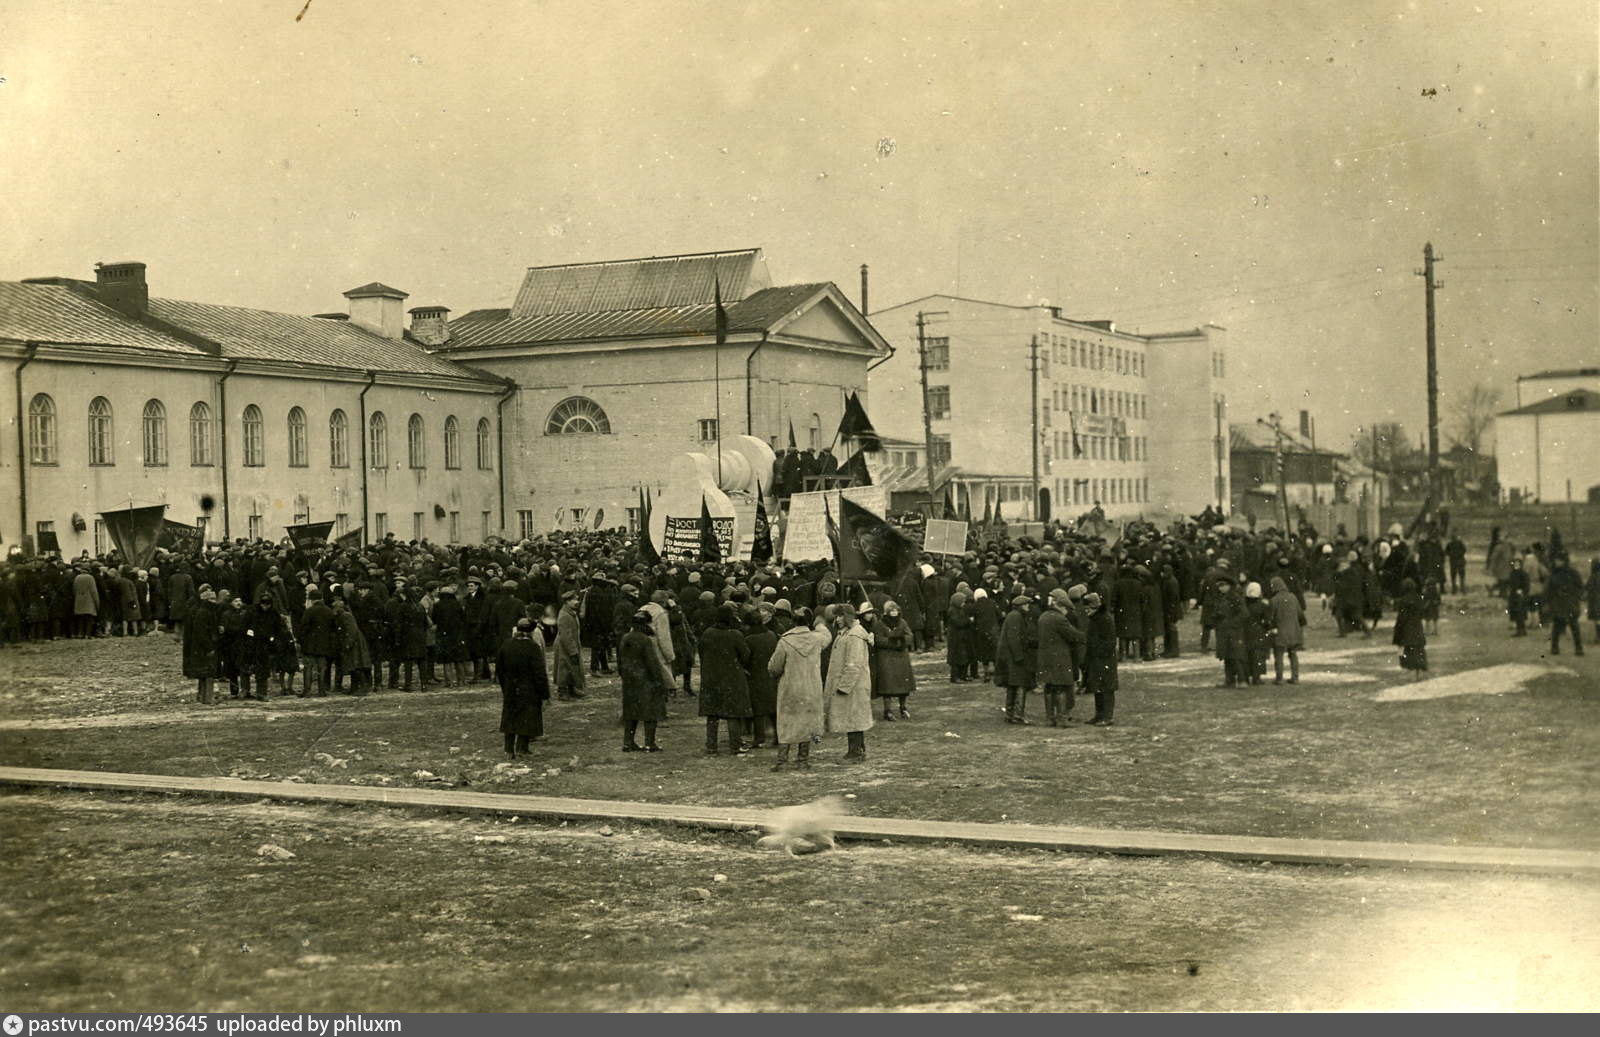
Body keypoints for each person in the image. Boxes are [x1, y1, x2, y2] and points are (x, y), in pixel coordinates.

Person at [767, 601, 832, 771]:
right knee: (807, 722)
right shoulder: (817, 639)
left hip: (790, 688)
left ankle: (782, 761)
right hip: (811, 688)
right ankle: (802, 759)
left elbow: (774, 667)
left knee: (786, 721)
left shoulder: (785, 641)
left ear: (794, 621)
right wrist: (820, 625)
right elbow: (827, 636)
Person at [698, 603, 754, 755]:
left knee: (712, 714)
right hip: (732, 677)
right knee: (733, 714)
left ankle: (711, 747)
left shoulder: (707, 633)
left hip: (711, 677)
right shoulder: (735, 634)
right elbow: (745, 655)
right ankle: (735, 747)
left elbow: (701, 652)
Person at [824, 602, 874, 762]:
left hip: (853, 685)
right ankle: (857, 749)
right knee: (852, 717)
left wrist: (844, 686)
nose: (837, 619)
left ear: (847, 617)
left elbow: (854, 664)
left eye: (840, 616)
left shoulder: (854, 635)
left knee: (853, 718)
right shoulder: (848, 633)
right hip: (851, 685)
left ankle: (856, 751)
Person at [495, 617, 550, 757]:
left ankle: (508, 749)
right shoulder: (532, 648)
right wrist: (544, 694)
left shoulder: (506, 645)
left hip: (510, 688)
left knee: (510, 717)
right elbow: (539, 673)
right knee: (527, 718)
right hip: (529, 689)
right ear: (531, 632)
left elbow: (499, 669)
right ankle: (522, 749)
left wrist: (505, 687)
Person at [619, 609, 673, 751]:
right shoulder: (645, 640)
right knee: (651, 712)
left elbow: (620, 662)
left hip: (630, 680)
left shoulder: (626, 638)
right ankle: (650, 743)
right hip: (646, 681)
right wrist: (660, 682)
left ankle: (628, 742)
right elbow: (652, 663)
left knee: (631, 713)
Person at [1036, 587, 1085, 726]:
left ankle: (1049, 718)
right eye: (1065, 609)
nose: (1066, 613)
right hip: (1059, 658)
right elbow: (1073, 635)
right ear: (1060, 605)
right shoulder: (1059, 619)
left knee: (1049, 687)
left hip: (1045, 658)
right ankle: (1062, 719)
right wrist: (1085, 636)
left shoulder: (1043, 617)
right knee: (1061, 687)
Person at [872, 599, 916, 722]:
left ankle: (903, 708)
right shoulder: (880, 624)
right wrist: (891, 642)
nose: (894, 612)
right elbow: (878, 640)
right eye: (891, 610)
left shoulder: (902, 622)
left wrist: (901, 641)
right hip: (886, 659)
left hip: (901, 658)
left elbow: (910, 636)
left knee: (903, 685)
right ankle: (888, 711)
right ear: (886, 612)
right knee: (888, 687)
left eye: (895, 610)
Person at [744, 604, 781, 745]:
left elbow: (745, 658)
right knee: (773, 706)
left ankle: (759, 738)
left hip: (755, 676)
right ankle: (778, 736)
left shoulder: (749, 639)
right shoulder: (771, 635)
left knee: (757, 708)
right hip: (771, 675)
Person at [998, 594, 1038, 724]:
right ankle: (1018, 715)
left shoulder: (1014, 616)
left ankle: (1010, 714)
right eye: (1026, 604)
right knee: (1021, 685)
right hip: (1015, 657)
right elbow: (1014, 638)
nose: (1028, 607)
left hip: (1010, 657)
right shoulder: (1016, 617)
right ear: (1020, 606)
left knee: (1012, 685)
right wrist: (1019, 656)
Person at [1081, 592, 1118, 725]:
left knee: (1106, 688)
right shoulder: (1094, 618)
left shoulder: (1105, 619)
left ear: (1095, 606)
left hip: (1105, 659)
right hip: (1096, 659)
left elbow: (1110, 642)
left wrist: (1097, 651)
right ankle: (1099, 715)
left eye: (1088, 609)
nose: (1086, 612)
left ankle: (1107, 717)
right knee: (1097, 687)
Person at [183, 586, 222, 704]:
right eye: (212, 599)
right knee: (209, 673)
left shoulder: (203, 611)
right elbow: (201, 633)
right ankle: (208, 698)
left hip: (200, 647)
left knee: (204, 674)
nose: (215, 601)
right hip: (204, 647)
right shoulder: (205, 612)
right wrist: (209, 647)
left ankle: (202, 696)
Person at [299, 587, 340, 697]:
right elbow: (333, 628)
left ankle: (307, 691)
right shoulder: (328, 611)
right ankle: (321, 690)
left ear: (312, 600)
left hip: (310, 644)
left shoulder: (309, 611)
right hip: (324, 644)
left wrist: (301, 642)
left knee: (308, 667)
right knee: (322, 668)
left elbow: (303, 628)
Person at [331, 594, 373, 696]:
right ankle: (355, 688)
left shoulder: (346, 616)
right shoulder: (345, 615)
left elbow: (352, 630)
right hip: (354, 643)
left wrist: (347, 644)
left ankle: (361, 688)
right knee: (354, 667)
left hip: (355, 644)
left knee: (357, 666)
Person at [1267, 576, 1305, 685]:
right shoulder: (1293, 597)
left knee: (1278, 655)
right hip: (1294, 631)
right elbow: (1300, 614)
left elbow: (1271, 617)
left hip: (1280, 632)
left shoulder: (1274, 600)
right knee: (1293, 654)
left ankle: (1279, 678)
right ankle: (1295, 677)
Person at [1546, 553, 1586, 656]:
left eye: (1559, 560)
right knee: (1561, 626)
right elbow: (1549, 590)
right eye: (1556, 560)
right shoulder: (1556, 573)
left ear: (1564, 561)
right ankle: (1556, 648)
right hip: (1561, 604)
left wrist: (1575, 597)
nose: (1556, 562)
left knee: (1570, 626)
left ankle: (1576, 648)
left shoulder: (1569, 573)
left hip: (1567, 603)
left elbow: (1580, 587)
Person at [553, 590, 587, 701]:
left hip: (571, 643)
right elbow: (565, 635)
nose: (577, 602)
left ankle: (572, 688)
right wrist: (572, 650)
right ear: (567, 601)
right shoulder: (564, 615)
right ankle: (562, 691)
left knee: (573, 667)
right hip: (565, 646)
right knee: (564, 668)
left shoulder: (571, 612)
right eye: (574, 600)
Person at [1393, 577, 1429, 680]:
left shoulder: (1403, 601)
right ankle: (1419, 672)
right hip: (1417, 627)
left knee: (1407, 651)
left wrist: (1397, 630)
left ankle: (1411, 672)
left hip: (1406, 629)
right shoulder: (1418, 598)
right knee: (1418, 650)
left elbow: (1401, 617)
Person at [1506, 556, 1530, 637]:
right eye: (1515, 564)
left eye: (1518, 564)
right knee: (1516, 613)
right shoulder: (1512, 573)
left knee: (1520, 613)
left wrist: (1522, 590)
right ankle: (1521, 630)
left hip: (1520, 596)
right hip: (1513, 596)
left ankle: (1521, 630)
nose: (1516, 565)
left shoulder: (1523, 573)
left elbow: (1526, 585)